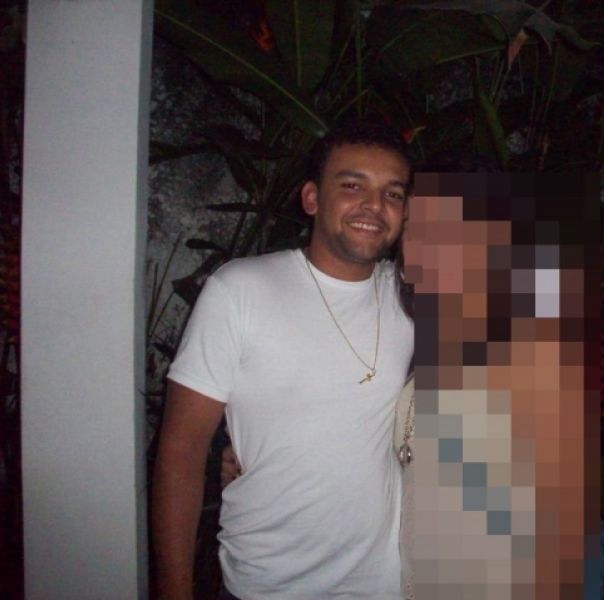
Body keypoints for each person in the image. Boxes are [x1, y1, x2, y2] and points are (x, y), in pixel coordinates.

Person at [151, 120, 415, 600]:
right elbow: (180, 453)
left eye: (392, 194)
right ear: (312, 198)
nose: (374, 206)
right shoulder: (240, 290)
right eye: (353, 186)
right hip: (266, 582)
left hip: (384, 585)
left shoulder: (414, 298)